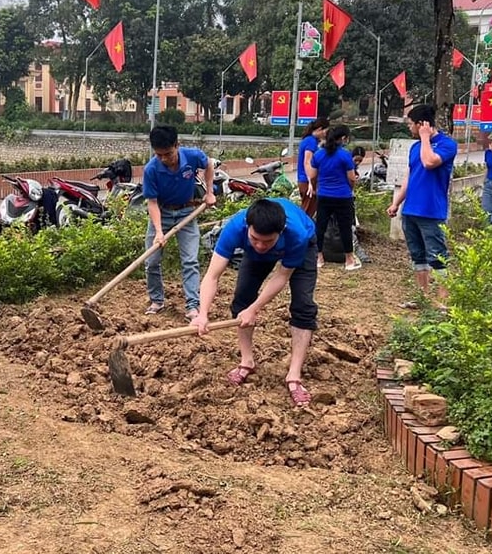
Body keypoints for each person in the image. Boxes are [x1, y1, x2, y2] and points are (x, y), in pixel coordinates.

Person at [192, 198, 319, 407]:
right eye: (255, 239)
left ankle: (294, 376)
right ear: (248, 228)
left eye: (267, 241)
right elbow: (212, 276)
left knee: (303, 306)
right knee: (242, 300)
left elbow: (282, 275)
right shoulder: (234, 228)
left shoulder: (296, 234)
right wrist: (202, 313)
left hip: (305, 248)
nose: (260, 245)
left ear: (280, 232)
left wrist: (255, 308)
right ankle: (246, 361)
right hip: (255, 256)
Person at [386, 104, 458, 308]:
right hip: (411, 210)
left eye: (411, 124)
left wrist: (426, 137)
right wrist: (396, 202)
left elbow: (429, 163)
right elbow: (410, 176)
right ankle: (423, 298)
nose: (410, 128)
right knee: (418, 256)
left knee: (438, 257)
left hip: (431, 210)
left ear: (422, 124)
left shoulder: (447, 144)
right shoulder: (415, 147)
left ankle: (443, 302)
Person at [142, 125, 216, 319]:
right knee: (151, 261)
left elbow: (209, 164)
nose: (164, 159)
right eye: (159, 155)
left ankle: (193, 305)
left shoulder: (192, 156)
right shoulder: (151, 169)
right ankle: (157, 300)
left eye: (168, 154)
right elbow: (152, 202)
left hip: (187, 213)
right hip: (162, 213)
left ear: (177, 145)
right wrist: (159, 231)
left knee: (190, 260)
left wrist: (209, 192)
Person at [308, 124, 360, 271]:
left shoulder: (318, 155)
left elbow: (312, 176)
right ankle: (349, 259)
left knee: (320, 227)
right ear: (343, 138)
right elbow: (351, 178)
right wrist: (350, 189)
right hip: (343, 196)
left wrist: (317, 186)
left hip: (324, 195)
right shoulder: (345, 155)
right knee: (345, 227)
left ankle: (319, 257)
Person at [296, 117, 329, 217]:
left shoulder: (310, 140)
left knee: (309, 210)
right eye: (325, 131)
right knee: (307, 212)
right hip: (307, 181)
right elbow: (307, 162)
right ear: (319, 129)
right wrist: (311, 182)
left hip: (306, 180)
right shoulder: (310, 141)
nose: (325, 134)